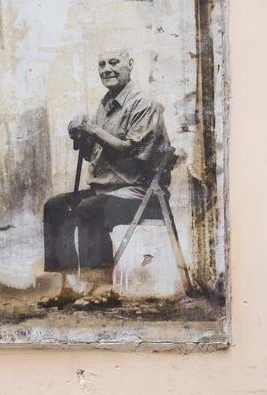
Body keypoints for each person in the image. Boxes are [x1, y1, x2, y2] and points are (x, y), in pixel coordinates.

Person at [39, 48, 171, 309]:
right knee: (54, 207)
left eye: (114, 62)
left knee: (90, 209)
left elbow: (131, 152)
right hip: (107, 190)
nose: (107, 69)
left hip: (139, 192)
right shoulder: (105, 104)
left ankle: (103, 287)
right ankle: (69, 286)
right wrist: (83, 138)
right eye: (102, 64)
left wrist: (92, 129)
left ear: (130, 65)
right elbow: (98, 156)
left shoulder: (144, 104)